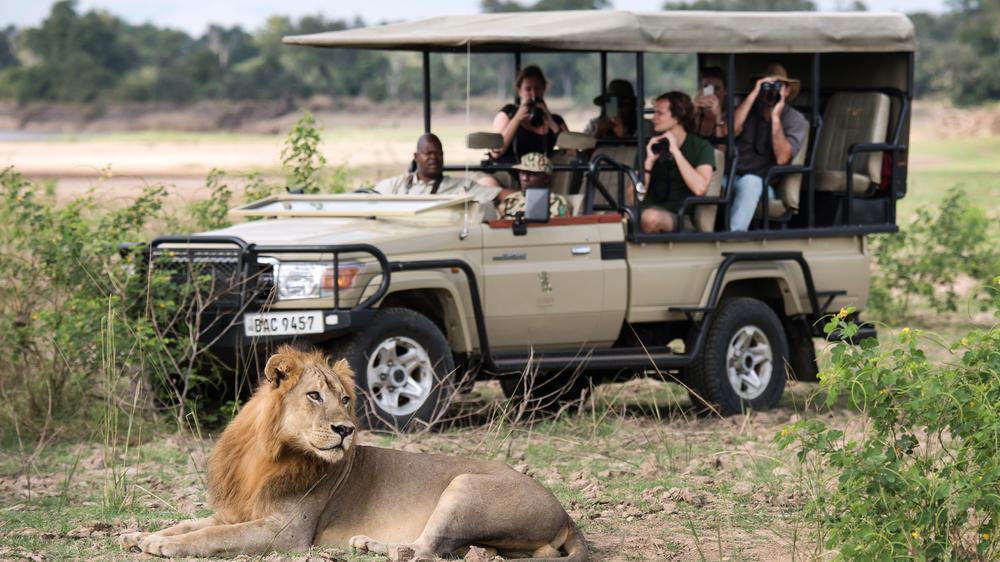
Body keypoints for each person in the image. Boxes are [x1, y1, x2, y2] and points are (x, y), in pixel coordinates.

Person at [727, 63, 809, 232]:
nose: (772, 91)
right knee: (707, 179)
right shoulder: (747, 109)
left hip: (762, 185)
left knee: (750, 182)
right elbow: (729, 131)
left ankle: (733, 237)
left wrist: (775, 117)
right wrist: (753, 95)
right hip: (732, 177)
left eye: (778, 86)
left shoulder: (795, 120)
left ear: (787, 91)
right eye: (767, 85)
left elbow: (782, 158)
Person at [629, 91, 715, 234]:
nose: (654, 118)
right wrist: (649, 162)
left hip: (679, 217)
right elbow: (634, 199)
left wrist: (676, 152)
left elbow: (700, 188)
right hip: (644, 212)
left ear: (677, 118)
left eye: (660, 113)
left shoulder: (701, 147)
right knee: (613, 219)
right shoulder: (649, 146)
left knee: (650, 218)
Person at [374, 133, 500, 205]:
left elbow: (500, 195)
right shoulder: (396, 185)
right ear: (416, 157)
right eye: (428, 153)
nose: (433, 157)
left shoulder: (461, 186)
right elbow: (366, 198)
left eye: (438, 153)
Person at [490, 65, 569, 164]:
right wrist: (516, 119)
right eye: (528, 89)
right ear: (519, 92)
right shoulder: (508, 114)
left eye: (537, 88)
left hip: (540, 177)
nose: (534, 94)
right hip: (507, 173)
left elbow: (573, 153)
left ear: (544, 89)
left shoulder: (555, 121)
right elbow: (496, 153)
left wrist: (551, 122)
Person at [497, 153, 570, 219]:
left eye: (531, 174)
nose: (524, 178)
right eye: (522, 173)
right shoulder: (510, 200)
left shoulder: (556, 201)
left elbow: (562, 226)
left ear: (546, 177)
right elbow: (495, 223)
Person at [584, 79, 654, 140]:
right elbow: (583, 152)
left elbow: (644, 152)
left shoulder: (643, 125)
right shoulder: (594, 124)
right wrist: (599, 132)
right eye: (612, 105)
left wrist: (623, 136)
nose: (618, 110)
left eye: (621, 105)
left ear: (631, 106)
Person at [693, 66, 728, 146]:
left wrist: (718, 117)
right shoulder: (693, 115)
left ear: (725, 91)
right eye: (707, 88)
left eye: (716, 88)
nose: (712, 93)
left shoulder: (731, 118)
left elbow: (722, 151)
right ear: (700, 89)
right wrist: (691, 111)